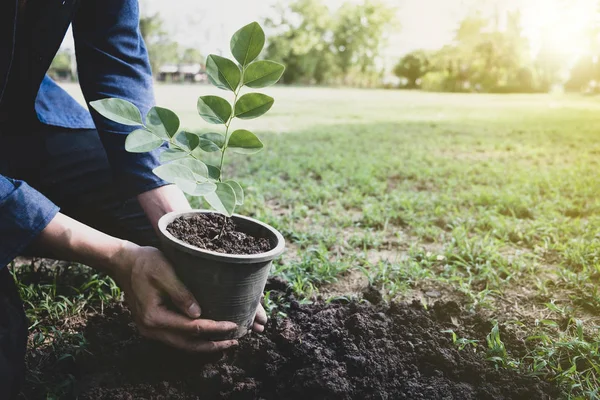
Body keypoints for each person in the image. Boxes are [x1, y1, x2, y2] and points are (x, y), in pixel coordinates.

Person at [0, 0, 267, 396]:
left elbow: (114, 54)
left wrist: (181, 227)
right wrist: (118, 257)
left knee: (164, 238)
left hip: (27, 119)